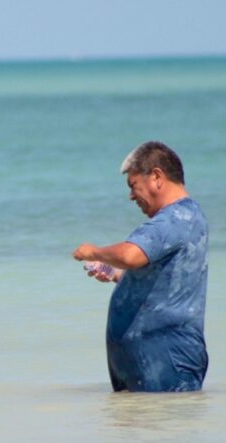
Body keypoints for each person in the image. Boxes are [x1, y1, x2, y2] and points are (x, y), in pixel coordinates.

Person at [73, 141, 209, 392]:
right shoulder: (182, 219)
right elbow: (163, 278)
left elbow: (130, 255)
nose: (131, 196)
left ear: (157, 177)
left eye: (133, 186)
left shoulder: (175, 218)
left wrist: (94, 252)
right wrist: (116, 274)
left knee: (164, 429)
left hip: (165, 358)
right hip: (148, 361)